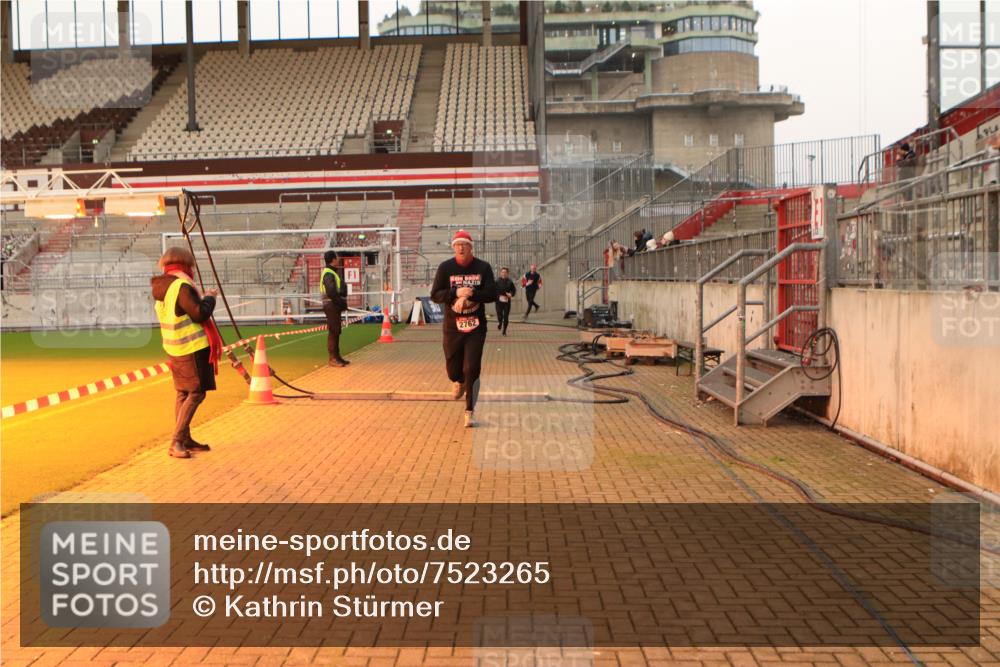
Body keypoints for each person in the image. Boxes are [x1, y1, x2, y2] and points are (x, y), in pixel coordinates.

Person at [151, 247, 223, 459]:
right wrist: (210, 298)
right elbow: (199, 313)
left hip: (174, 347)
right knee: (196, 392)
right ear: (186, 264)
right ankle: (177, 441)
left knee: (183, 393)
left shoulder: (163, 286)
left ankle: (185, 438)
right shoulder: (181, 285)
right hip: (192, 349)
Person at [430, 230, 497, 427]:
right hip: (453, 326)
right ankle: (457, 380)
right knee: (453, 368)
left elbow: (492, 293)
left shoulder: (483, 268)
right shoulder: (445, 268)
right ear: (453, 248)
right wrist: (455, 292)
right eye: (457, 245)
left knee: (472, 367)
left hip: (476, 326)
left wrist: (471, 294)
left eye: (464, 244)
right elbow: (435, 295)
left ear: (470, 247)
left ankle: (470, 410)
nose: (460, 248)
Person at [321, 250, 350, 367]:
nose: (338, 259)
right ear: (333, 259)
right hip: (332, 304)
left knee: (336, 330)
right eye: (337, 257)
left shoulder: (331, 272)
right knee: (334, 331)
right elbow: (331, 291)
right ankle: (333, 358)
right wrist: (340, 302)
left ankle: (337, 357)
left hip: (333, 304)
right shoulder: (329, 273)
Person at [495, 266, 516, 336]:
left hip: (507, 302)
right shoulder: (497, 281)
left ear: (507, 274)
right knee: (499, 315)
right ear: (500, 273)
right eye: (502, 272)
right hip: (498, 302)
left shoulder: (510, 282)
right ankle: (500, 323)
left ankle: (504, 331)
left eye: (505, 272)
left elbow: (514, 291)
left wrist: (511, 294)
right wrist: (496, 296)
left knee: (506, 317)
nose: (503, 274)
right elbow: (493, 290)